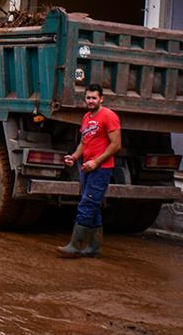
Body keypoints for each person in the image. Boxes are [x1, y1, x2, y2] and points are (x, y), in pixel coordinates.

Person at [58, 84, 121, 258]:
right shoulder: (86, 117)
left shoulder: (109, 116)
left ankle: (75, 246)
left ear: (101, 99)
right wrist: (74, 157)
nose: (91, 101)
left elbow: (116, 144)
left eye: (94, 98)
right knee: (93, 206)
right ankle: (94, 247)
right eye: (88, 97)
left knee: (87, 205)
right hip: (87, 167)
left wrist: (96, 162)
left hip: (101, 169)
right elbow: (83, 142)